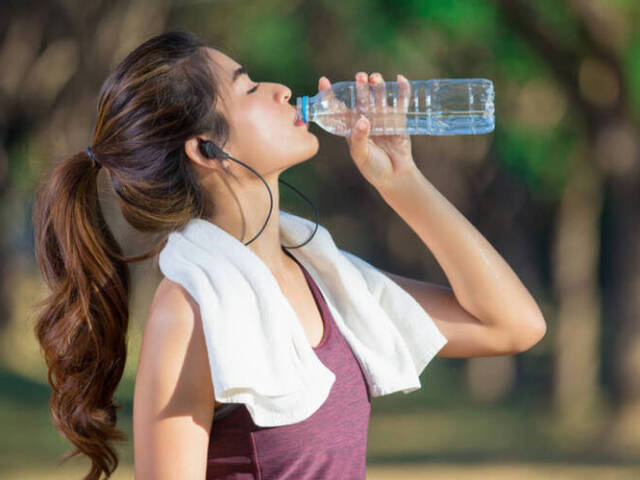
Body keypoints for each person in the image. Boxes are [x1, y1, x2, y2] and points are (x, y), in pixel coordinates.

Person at [31, 29, 546, 480]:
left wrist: (403, 183)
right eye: (249, 88)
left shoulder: (327, 279)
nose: (281, 90)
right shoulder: (190, 310)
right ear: (206, 149)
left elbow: (513, 325)